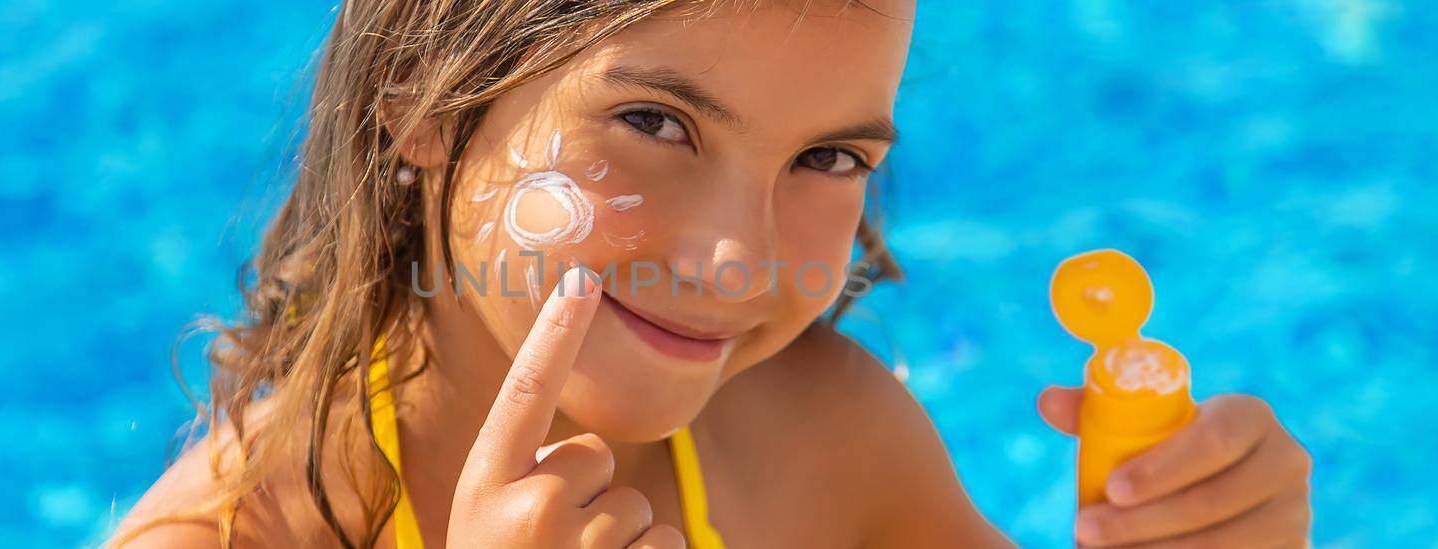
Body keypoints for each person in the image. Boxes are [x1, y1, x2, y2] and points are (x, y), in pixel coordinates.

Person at [108, 1, 1312, 546]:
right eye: (655, 123)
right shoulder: (225, 538)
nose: (736, 260)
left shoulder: (817, 440)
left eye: (826, 157)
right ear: (422, 104)